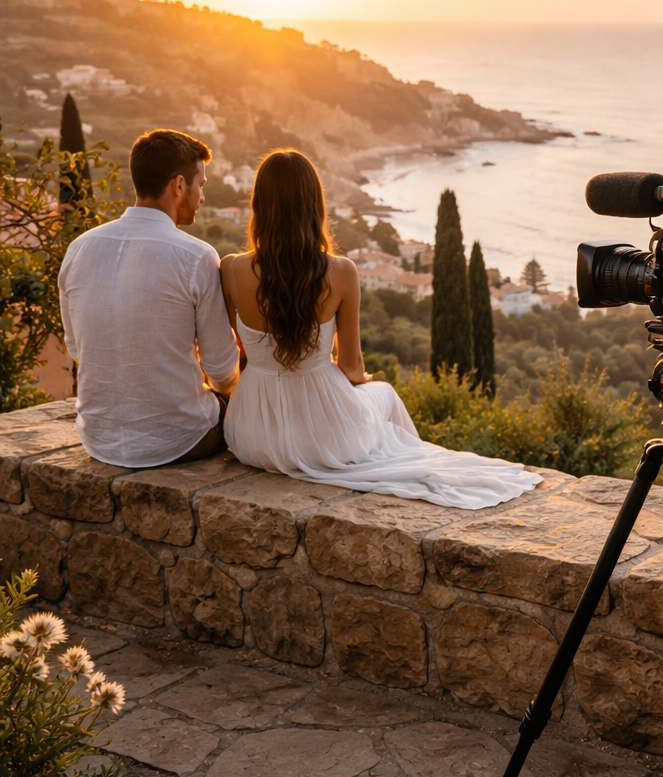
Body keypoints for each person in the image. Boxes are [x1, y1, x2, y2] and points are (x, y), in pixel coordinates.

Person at [219, 148, 540, 509]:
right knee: (383, 393)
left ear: (259, 204)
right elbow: (352, 366)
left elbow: (242, 358)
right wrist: (356, 389)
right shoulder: (340, 272)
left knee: (371, 403)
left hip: (250, 436)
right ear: (314, 205)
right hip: (325, 440)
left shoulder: (230, 270)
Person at [59, 130, 239, 467]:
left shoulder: (79, 248)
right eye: (201, 184)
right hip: (180, 439)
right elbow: (222, 371)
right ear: (179, 186)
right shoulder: (196, 256)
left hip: (98, 437)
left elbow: (76, 348)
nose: (202, 197)